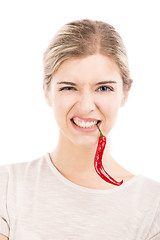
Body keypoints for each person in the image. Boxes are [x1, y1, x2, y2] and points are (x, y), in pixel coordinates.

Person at [0, 19, 160, 240]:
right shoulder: (7, 187)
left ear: (125, 93)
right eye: (68, 87)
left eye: (103, 88)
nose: (86, 106)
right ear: (47, 92)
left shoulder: (152, 205)